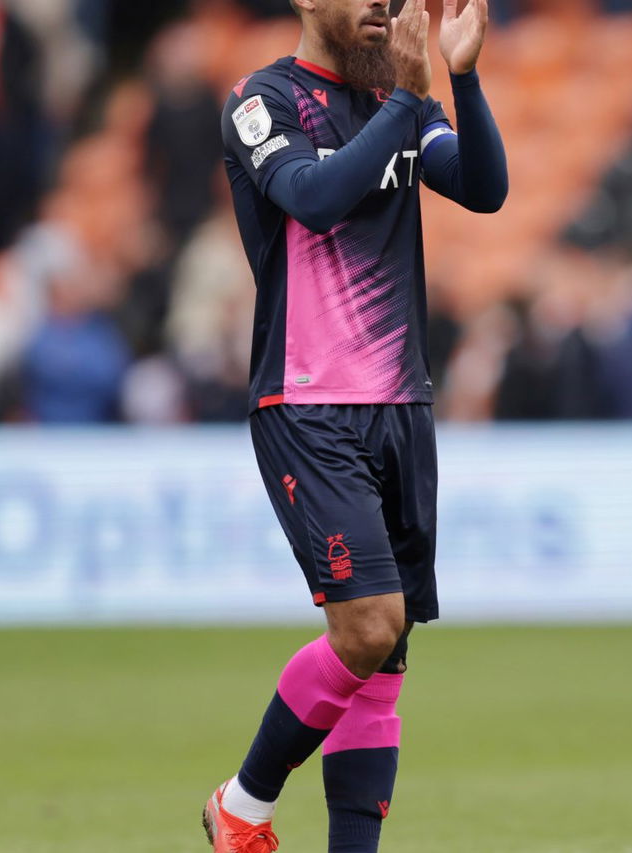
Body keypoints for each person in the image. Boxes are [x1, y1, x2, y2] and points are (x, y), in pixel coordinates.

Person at [205, 1, 507, 851]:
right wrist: (413, 104)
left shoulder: (396, 103)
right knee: (368, 624)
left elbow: (484, 190)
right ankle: (244, 803)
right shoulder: (262, 100)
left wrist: (463, 77)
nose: (384, 1)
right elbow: (313, 196)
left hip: (400, 404)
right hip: (307, 402)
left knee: (385, 660)